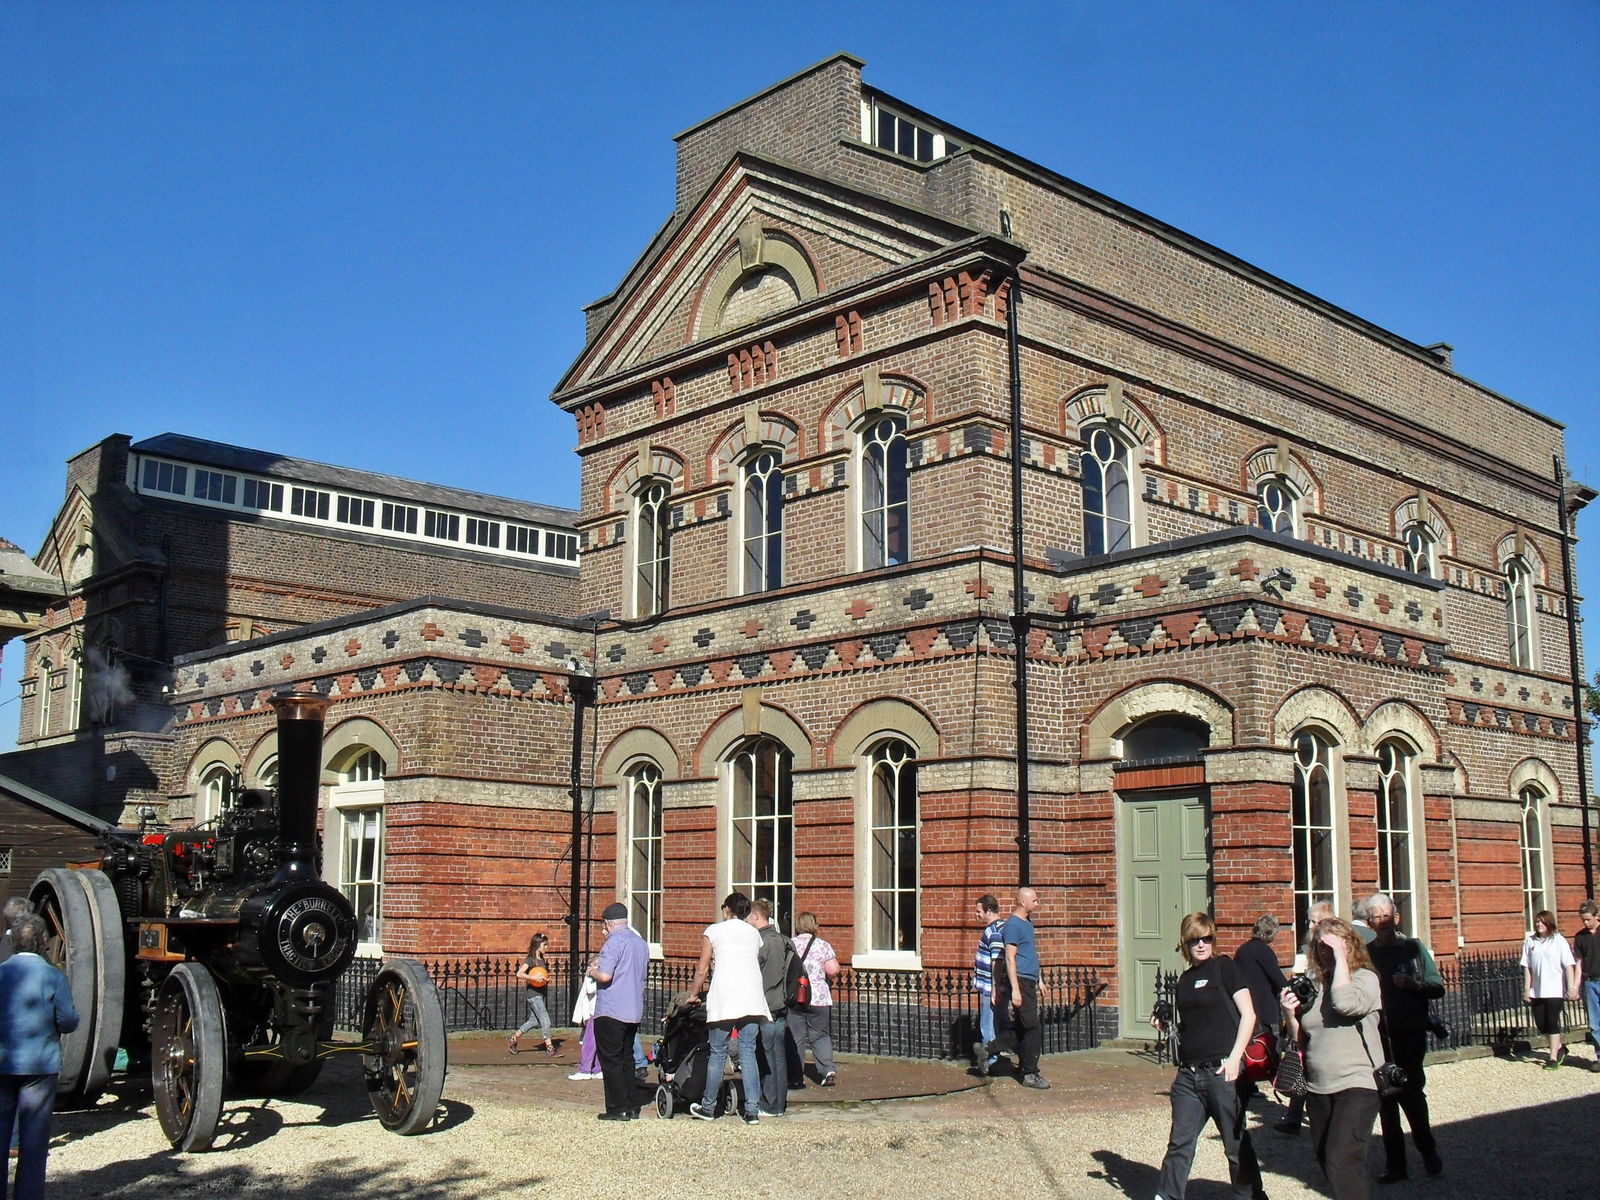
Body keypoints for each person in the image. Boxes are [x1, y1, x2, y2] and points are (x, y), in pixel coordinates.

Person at [1152, 912, 1266, 1200]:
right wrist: (1166, 1026)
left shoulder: (1225, 968)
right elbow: (1192, 1028)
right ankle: (1167, 1196)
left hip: (1221, 1071)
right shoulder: (1185, 981)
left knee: (1235, 1145)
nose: (1201, 945)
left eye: (1207, 938)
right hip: (1189, 1075)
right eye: (1194, 940)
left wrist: (1235, 1058)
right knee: (1179, 1143)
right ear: (1185, 943)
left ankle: (1251, 1195)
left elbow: (1248, 1014)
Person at [1281, 917, 1383, 1200]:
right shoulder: (1317, 986)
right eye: (1319, 946)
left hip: (1358, 1084)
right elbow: (1303, 1040)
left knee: (1341, 1160)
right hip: (1318, 1087)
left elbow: (1346, 1003)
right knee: (1329, 1160)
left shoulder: (1365, 978)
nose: (1324, 951)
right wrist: (1290, 1015)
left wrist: (1339, 959)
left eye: (1331, 945)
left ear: (1350, 945)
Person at [1363, 892, 1444, 1181]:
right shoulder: (1367, 954)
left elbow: (1437, 986)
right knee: (1385, 1100)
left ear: (1396, 917)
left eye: (1387, 915)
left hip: (1409, 1034)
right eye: (1376, 917)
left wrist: (1415, 985)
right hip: (1380, 1037)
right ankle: (1396, 1165)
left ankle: (1427, 1150)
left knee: (1411, 1095)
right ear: (1369, 922)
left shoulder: (1413, 948)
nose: (1382, 921)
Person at [1, 914, 80, 1200]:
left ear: (11, 941)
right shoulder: (54, 976)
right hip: (39, 1065)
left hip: (2, 1061)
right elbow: (69, 1021)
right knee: (34, 1140)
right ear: (43, 942)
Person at [688, 892, 769, 1123]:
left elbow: (702, 969)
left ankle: (708, 1107)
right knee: (748, 1053)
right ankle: (752, 1110)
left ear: (727, 910)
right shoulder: (754, 934)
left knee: (718, 1053)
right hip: (752, 997)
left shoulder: (714, 930)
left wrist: (693, 994)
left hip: (725, 996)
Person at [970, 886, 1049, 1089]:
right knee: (1032, 1027)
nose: (1037, 904)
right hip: (1021, 981)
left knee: (1024, 1026)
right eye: (1035, 900)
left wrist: (1039, 979)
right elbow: (1009, 958)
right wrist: (1015, 989)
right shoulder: (1013, 925)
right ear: (1023, 902)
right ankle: (1030, 1073)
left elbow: (1030, 954)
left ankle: (988, 1049)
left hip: (1029, 980)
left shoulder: (1027, 923)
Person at [588, 901, 649, 1120]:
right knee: (627, 1058)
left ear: (608, 923)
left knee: (611, 1060)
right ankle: (631, 1104)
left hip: (612, 1008)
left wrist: (591, 971)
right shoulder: (641, 943)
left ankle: (617, 1107)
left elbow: (605, 975)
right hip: (633, 1008)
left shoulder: (614, 942)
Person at [1276, 900, 1333, 1135]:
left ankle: (1311, 1117)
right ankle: (1294, 1117)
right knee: (1302, 1062)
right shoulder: (1312, 946)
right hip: (1307, 1014)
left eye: (1314, 920)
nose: (1310, 924)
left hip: (1326, 1018)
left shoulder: (1331, 946)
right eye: (1309, 920)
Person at [1233, 914, 1288, 1106]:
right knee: (1271, 1047)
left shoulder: (1242, 950)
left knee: (1249, 1048)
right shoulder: (1264, 951)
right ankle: (1278, 1083)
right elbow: (1277, 978)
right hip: (1265, 1007)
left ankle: (1249, 1085)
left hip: (1246, 1005)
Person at [748, 898, 791, 1116]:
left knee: (766, 1055)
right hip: (783, 1005)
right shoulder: (785, 940)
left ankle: (770, 1104)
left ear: (756, 916)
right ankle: (779, 1104)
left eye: (749, 916)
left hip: (767, 1006)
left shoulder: (762, 943)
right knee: (778, 1055)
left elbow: (756, 974)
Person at [1522, 908, 1578, 1070]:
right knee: (1541, 1024)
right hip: (1537, 990)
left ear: (1549, 923)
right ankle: (1560, 1047)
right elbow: (1527, 967)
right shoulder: (1530, 941)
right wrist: (1527, 988)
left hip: (1555, 989)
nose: (1538, 924)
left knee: (1552, 1021)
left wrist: (1571, 987)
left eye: (1541, 922)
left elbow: (1569, 965)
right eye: (1537, 922)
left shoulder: (1559, 941)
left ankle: (1552, 1058)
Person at [790, 911, 840, 1086]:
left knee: (796, 1037)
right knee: (820, 1035)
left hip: (796, 996)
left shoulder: (790, 945)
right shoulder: (822, 945)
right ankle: (827, 1071)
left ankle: (795, 1076)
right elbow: (833, 970)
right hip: (818, 998)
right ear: (814, 925)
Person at [971, 894, 1006, 1074]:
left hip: (990, 988)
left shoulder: (993, 932)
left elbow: (997, 960)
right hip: (993, 987)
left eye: (979, 911)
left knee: (988, 1024)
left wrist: (994, 987)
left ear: (989, 911)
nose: (976, 915)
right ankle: (994, 1057)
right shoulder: (1002, 928)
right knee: (995, 1022)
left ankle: (991, 1060)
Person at [510, 932, 557, 1056]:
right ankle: (550, 1048)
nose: (547, 948)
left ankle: (513, 1039)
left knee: (533, 1021)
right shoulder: (531, 960)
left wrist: (544, 980)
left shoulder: (542, 960)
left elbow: (541, 975)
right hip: (534, 995)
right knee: (545, 1020)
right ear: (537, 945)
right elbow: (519, 973)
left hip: (540, 994)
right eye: (544, 945)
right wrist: (533, 978)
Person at [1575, 901, 1600, 1062]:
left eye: (1588, 919)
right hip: (1590, 982)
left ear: (1597, 916)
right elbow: (1578, 963)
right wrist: (1575, 987)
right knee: (1595, 1023)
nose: (1586, 923)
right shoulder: (1580, 936)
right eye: (1583, 920)